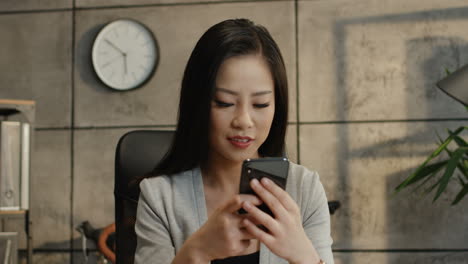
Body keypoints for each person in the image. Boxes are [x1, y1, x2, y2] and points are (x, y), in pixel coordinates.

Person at [134, 18, 334, 264]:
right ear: (197, 104)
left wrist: (304, 257)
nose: (244, 121)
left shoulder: (305, 189)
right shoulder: (160, 198)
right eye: (225, 103)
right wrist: (197, 251)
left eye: (260, 104)